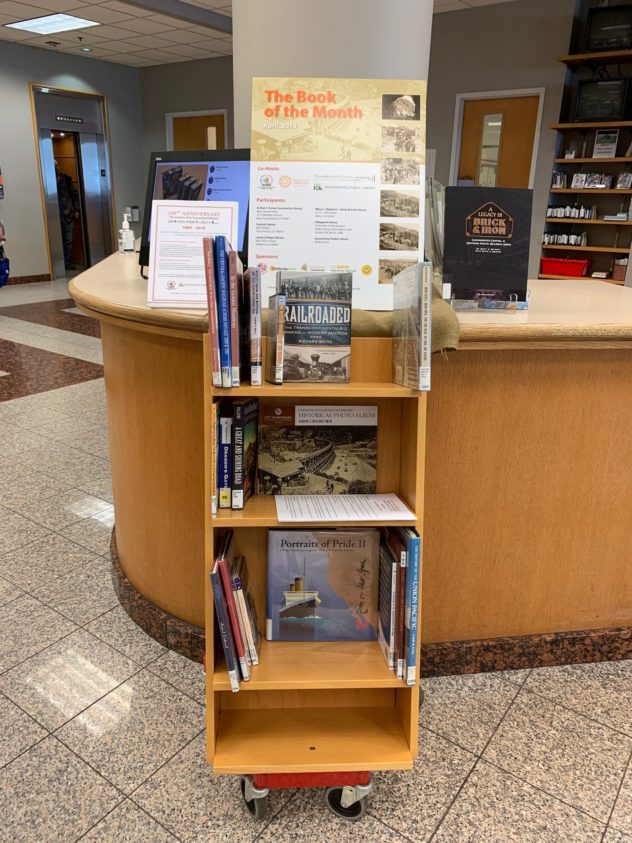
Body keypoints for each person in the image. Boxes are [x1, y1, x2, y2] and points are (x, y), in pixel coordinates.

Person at [55, 161, 79, 269]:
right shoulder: (48, 180)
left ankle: (67, 263)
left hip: (67, 213)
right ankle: (58, 264)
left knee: (68, 240)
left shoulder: (67, 179)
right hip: (54, 216)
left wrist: (76, 210)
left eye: (56, 166)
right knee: (57, 240)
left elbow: (74, 195)